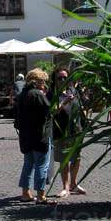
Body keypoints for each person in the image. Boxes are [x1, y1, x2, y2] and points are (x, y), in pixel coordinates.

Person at [17, 68, 53, 204]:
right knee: (41, 165)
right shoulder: (37, 95)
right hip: (40, 135)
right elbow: (48, 113)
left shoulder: (22, 95)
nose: (44, 84)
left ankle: (25, 193)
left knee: (28, 164)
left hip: (26, 135)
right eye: (43, 81)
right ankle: (41, 195)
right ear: (37, 81)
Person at [53, 69, 87, 197]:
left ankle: (73, 183)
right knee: (64, 159)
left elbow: (81, 107)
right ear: (55, 80)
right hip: (61, 131)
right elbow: (52, 112)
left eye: (65, 78)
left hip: (76, 129)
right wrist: (64, 102)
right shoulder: (53, 94)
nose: (62, 80)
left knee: (77, 158)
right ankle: (65, 187)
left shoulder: (73, 91)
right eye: (59, 78)